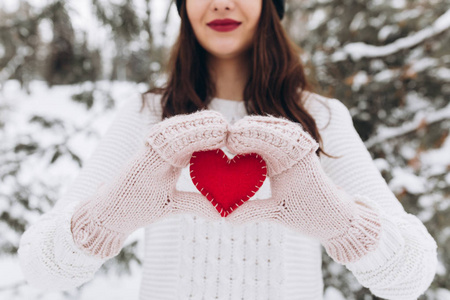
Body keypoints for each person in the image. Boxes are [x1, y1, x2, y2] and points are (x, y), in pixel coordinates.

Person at [18, 0, 438, 299]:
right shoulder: (145, 116)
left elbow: (410, 279)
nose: (220, 3)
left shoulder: (320, 118)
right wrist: (108, 216)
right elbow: (41, 269)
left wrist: (341, 222)